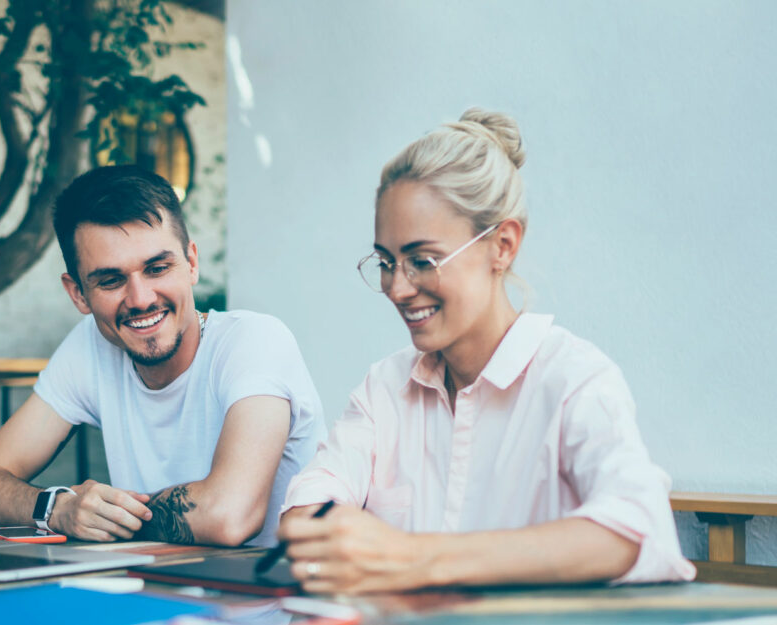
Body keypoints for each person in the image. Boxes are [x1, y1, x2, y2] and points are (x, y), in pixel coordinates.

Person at [278, 108, 695, 593]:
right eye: (387, 262)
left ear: (502, 246)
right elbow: (305, 514)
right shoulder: (384, 389)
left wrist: (416, 558)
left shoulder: (573, 379)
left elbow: (637, 528)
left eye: (422, 261)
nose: (397, 288)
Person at [0, 165, 324, 547]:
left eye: (157, 268)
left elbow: (229, 516)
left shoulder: (254, 341)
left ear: (191, 263)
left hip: (272, 604)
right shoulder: (91, 345)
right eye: (110, 280)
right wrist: (59, 510)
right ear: (77, 294)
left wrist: (108, 518)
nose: (140, 299)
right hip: (154, 595)